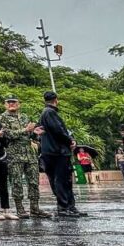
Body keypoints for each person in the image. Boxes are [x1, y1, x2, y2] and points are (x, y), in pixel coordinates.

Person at [0, 95, 51, 219]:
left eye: (14, 102)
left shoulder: (25, 117)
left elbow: (30, 135)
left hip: (29, 152)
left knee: (33, 182)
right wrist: (25, 130)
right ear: (5, 105)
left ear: (19, 104)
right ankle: (20, 209)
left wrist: (35, 133)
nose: (11, 104)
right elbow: (8, 134)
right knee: (16, 182)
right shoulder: (2, 118)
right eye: (9, 102)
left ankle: (35, 209)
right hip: (14, 153)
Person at [38, 90, 84, 218]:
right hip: (57, 152)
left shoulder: (44, 114)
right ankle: (64, 207)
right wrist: (70, 141)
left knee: (60, 180)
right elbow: (59, 131)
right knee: (62, 180)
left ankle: (69, 206)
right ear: (56, 100)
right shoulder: (50, 113)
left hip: (50, 152)